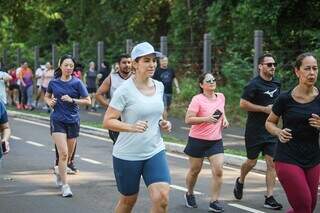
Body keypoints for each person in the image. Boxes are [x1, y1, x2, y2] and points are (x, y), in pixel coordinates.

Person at [103, 42, 172, 213]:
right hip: (128, 154)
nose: (152, 64)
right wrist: (130, 127)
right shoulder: (124, 90)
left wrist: (164, 123)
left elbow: (157, 114)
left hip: (154, 150)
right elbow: (108, 121)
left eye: (154, 60)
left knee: (162, 198)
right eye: (146, 60)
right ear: (135, 63)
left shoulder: (159, 86)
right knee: (128, 200)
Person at [265, 52, 320, 213]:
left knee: (308, 207)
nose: (312, 73)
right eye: (307, 68)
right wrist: (278, 132)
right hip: (287, 157)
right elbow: (269, 122)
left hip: (313, 158)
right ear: (297, 71)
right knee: (303, 206)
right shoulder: (285, 98)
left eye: (315, 69)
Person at [233, 53, 283, 210]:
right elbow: (242, 104)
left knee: (271, 164)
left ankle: (269, 197)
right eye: (269, 64)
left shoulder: (277, 83)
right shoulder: (253, 85)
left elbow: (279, 104)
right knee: (252, 162)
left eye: (274, 64)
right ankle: (240, 180)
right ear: (260, 66)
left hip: (271, 130)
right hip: (254, 131)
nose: (272, 67)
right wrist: (264, 109)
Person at [44, 55, 91, 197]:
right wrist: (49, 102)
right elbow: (46, 96)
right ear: (60, 65)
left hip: (73, 121)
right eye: (66, 65)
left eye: (71, 66)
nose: (69, 68)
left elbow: (88, 101)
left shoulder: (77, 83)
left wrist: (72, 100)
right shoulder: (53, 82)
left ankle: (59, 171)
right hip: (57, 120)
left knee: (69, 157)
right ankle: (65, 186)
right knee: (63, 154)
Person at [183, 73, 228, 212]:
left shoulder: (221, 96)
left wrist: (224, 119)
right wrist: (206, 119)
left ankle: (214, 201)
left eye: (213, 80)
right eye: (208, 81)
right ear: (201, 85)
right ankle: (189, 193)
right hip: (197, 140)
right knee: (195, 170)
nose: (212, 82)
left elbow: (221, 110)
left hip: (215, 141)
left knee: (218, 170)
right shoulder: (197, 99)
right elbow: (188, 119)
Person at [96, 54, 132, 143]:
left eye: (129, 62)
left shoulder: (136, 77)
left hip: (133, 116)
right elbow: (98, 94)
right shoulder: (112, 77)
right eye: (124, 63)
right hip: (116, 117)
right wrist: (109, 106)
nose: (127, 65)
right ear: (118, 64)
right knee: (118, 144)